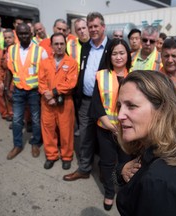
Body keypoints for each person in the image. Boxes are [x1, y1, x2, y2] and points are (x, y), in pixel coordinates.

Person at [115, 70, 176, 215]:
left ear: (162, 109)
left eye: (131, 106)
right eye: (120, 106)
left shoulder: (158, 182)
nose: (119, 116)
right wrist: (121, 171)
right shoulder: (159, 149)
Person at [63, 12, 112, 181]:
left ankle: (106, 175)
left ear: (103, 27)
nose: (92, 30)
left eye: (95, 26)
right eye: (89, 27)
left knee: (105, 139)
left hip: (105, 103)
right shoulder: (85, 47)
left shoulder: (112, 47)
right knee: (85, 136)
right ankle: (84, 168)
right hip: (85, 101)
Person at [89, 39, 132, 210]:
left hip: (128, 131)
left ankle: (122, 189)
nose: (118, 57)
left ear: (128, 54)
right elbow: (96, 103)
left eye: (122, 53)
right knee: (107, 163)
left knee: (125, 163)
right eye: (114, 53)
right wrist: (109, 124)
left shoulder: (135, 76)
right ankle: (109, 192)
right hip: (106, 129)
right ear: (109, 55)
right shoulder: (101, 75)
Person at [6, 23, 48, 160]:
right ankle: (17, 145)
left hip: (35, 91)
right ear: (17, 34)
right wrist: (7, 89)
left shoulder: (40, 51)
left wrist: (44, 91)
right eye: (21, 34)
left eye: (26, 33)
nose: (23, 36)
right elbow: (9, 71)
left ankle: (35, 143)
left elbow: (46, 73)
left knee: (36, 119)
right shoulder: (11, 50)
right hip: (18, 90)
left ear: (31, 33)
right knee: (17, 119)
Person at [39, 33, 78, 170]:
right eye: (56, 44)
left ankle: (66, 156)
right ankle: (51, 156)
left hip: (65, 102)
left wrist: (53, 93)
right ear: (51, 46)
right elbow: (41, 82)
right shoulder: (44, 63)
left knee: (66, 131)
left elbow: (71, 83)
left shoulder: (71, 63)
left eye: (62, 43)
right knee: (48, 130)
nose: (59, 46)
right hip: (47, 103)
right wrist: (47, 95)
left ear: (65, 44)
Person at [0, 29, 16, 122]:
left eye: (10, 37)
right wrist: (0, 81)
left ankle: (25, 120)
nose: (8, 39)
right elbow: (0, 67)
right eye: (6, 38)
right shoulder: (3, 52)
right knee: (8, 98)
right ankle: (12, 116)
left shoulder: (19, 50)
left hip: (17, 80)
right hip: (7, 80)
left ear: (14, 37)